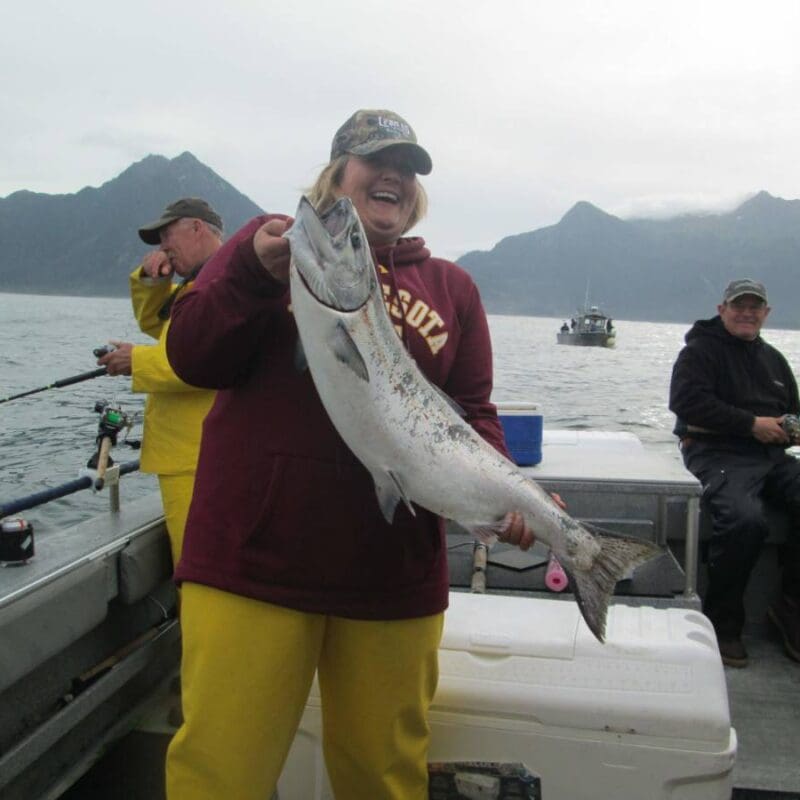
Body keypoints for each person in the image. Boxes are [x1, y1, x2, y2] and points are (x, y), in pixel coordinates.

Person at [163, 109, 534, 800]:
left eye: (409, 168)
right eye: (375, 161)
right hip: (253, 565)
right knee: (219, 774)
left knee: (384, 779)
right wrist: (250, 271)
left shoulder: (453, 288)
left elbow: (474, 415)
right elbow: (190, 355)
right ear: (338, 174)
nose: (394, 175)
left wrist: (504, 497)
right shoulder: (266, 247)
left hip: (392, 576)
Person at [669, 278, 800, 668]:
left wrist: (788, 427)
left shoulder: (775, 360)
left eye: (754, 306)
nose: (747, 312)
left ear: (766, 313)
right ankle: (722, 623)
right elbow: (686, 402)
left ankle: (789, 609)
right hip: (716, 453)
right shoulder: (700, 352)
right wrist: (750, 424)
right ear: (722, 308)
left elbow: (792, 410)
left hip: (771, 458)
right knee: (745, 520)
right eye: (738, 305)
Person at [97, 198, 223, 567]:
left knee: (198, 566)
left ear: (197, 228)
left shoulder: (222, 283)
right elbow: (159, 323)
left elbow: (207, 358)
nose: (162, 246)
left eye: (168, 234)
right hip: (187, 455)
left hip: (199, 458)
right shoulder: (197, 285)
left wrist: (134, 360)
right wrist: (154, 282)